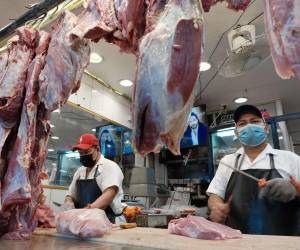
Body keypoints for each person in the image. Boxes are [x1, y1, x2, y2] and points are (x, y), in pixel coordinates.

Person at [207, 104, 300, 235]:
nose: (249, 126)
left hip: (283, 242)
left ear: (266, 128)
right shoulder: (228, 161)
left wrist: (296, 191)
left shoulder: (291, 159)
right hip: (237, 241)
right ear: (236, 132)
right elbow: (215, 194)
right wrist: (216, 207)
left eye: (255, 121)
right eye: (242, 123)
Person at [62, 133, 125, 223]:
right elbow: (70, 195)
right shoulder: (80, 171)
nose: (83, 156)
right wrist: (68, 206)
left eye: (87, 152)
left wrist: (85, 212)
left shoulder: (109, 167)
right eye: (80, 153)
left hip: (109, 222)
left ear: (97, 149)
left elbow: (109, 195)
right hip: (84, 223)